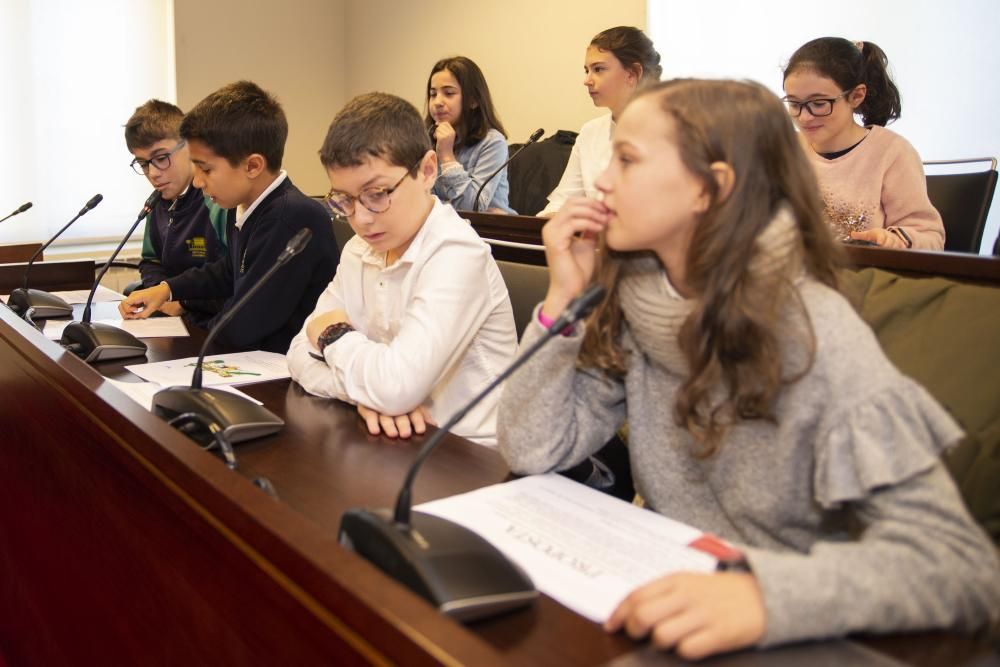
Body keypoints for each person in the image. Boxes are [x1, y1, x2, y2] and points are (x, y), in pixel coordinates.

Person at [497, 79, 999, 659]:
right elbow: (534, 447)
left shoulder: (814, 331)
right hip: (678, 601)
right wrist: (561, 302)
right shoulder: (638, 296)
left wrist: (766, 597)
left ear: (711, 188)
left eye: (628, 160)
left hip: (798, 627)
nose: (602, 179)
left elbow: (958, 565)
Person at [286, 92, 517, 447]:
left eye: (377, 193)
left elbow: (395, 386)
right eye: (344, 200)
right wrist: (367, 395)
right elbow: (298, 354)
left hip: (471, 457)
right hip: (393, 442)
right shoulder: (359, 250)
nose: (360, 219)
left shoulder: (456, 252)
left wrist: (332, 335)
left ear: (427, 170)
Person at [119, 81, 340, 353]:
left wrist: (190, 344)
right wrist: (167, 289)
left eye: (206, 170)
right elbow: (228, 270)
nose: (197, 182)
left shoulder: (292, 217)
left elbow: (248, 320)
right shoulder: (246, 206)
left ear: (252, 166)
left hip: (281, 367)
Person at [783, 37, 944, 249]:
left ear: (856, 96)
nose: (804, 117)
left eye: (819, 104)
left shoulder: (892, 152)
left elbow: (931, 237)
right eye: (794, 104)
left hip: (865, 275)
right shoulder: (786, 148)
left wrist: (894, 240)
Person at [538, 26, 661, 217]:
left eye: (598, 69)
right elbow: (562, 203)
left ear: (633, 74)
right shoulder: (590, 132)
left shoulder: (673, 133)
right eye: (587, 70)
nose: (587, 80)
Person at [124, 99, 229, 324]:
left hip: (213, 322)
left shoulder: (219, 200)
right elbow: (151, 262)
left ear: (188, 146)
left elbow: (231, 276)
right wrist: (158, 294)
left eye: (161, 158)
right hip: (170, 320)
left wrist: (181, 301)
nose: (152, 173)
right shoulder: (155, 202)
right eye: (143, 164)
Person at [426, 56, 514, 213]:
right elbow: (418, 201)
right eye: (433, 94)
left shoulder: (493, 142)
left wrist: (447, 157)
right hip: (442, 231)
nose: (437, 102)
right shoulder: (425, 140)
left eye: (448, 93)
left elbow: (474, 208)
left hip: (489, 233)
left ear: (473, 101)